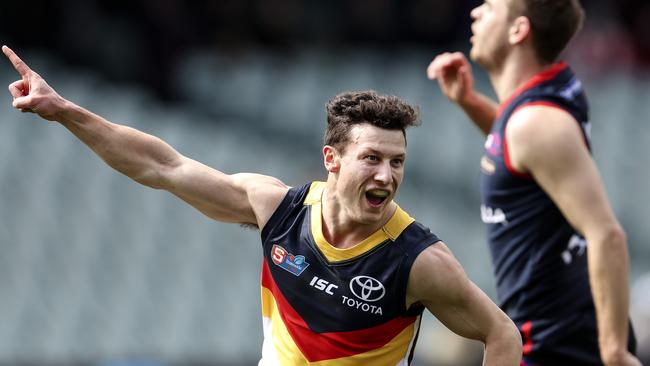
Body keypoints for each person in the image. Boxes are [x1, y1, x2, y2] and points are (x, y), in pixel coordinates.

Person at [2, 45, 521, 365]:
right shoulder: (279, 208)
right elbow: (162, 166)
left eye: (397, 162)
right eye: (372, 159)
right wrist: (64, 111)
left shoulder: (419, 260)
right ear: (331, 159)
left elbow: (502, 335)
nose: (387, 175)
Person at [427, 1, 640, 365]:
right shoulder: (541, 100)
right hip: (554, 335)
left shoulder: (536, 122)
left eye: (490, 7)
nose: (476, 13)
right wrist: (469, 102)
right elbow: (519, 154)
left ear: (518, 30)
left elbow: (607, 235)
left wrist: (615, 353)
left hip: (557, 345)